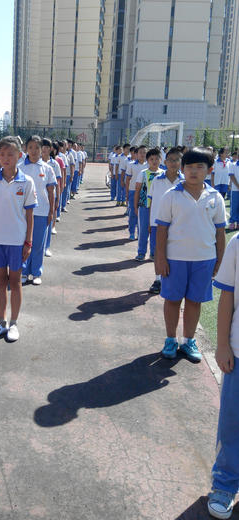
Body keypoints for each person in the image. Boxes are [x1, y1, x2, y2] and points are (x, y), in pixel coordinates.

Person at [155, 147, 226, 362]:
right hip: (175, 259)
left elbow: (220, 233)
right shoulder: (171, 196)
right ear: (183, 169)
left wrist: (219, 260)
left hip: (204, 260)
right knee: (173, 300)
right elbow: (162, 229)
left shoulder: (215, 197)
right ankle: (170, 339)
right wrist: (160, 258)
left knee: (195, 301)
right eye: (189, 167)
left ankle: (188, 341)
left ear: (209, 170)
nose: (193, 171)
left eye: (199, 167)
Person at [0, 136, 37, 342]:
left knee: (15, 282)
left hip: (17, 241)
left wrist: (28, 241)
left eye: (10, 154)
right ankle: (1, 322)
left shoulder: (27, 181)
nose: (5, 158)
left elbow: (29, 215)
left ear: (19, 156)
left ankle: (14, 323)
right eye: (2, 154)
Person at [206, 235, 239, 519]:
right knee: (232, 422)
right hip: (238, 353)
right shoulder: (238, 243)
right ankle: (225, 483)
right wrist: (222, 343)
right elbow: (227, 296)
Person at [147, 147, 183, 294]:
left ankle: (174, 279)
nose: (173, 163)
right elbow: (151, 202)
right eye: (170, 160)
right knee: (158, 251)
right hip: (158, 223)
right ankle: (158, 280)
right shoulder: (157, 180)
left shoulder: (185, 181)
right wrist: (150, 223)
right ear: (165, 162)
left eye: (177, 160)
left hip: (179, 224)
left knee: (177, 252)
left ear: (181, 162)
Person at [21, 135, 56, 285]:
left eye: (37, 148)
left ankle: (36, 273)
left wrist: (51, 212)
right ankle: (23, 272)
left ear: (42, 150)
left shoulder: (47, 169)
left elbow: (51, 192)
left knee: (38, 244)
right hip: (22, 214)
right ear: (26, 149)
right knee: (23, 243)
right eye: (30, 148)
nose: (34, 151)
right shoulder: (20, 167)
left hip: (41, 212)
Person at [133, 147, 162, 260]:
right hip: (144, 206)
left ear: (161, 159)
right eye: (151, 159)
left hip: (158, 208)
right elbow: (137, 190)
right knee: (143, 230)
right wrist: (135, 206)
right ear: (148, 160)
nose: (154, 161)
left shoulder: (163, 174)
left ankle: (153, 253)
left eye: (156, 159)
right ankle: (141, 252)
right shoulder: (143, 173)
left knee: (156, 232)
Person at [41, 138, 61, 257]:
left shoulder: (55, 164)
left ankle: (46, 247)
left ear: (51, 149)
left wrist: (58, 197)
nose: (44, 149)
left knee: (48, 222)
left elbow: (57, 182)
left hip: (50, 198)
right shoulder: (34, 163)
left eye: (47, 147)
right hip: (37, 198)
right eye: (42, 146)